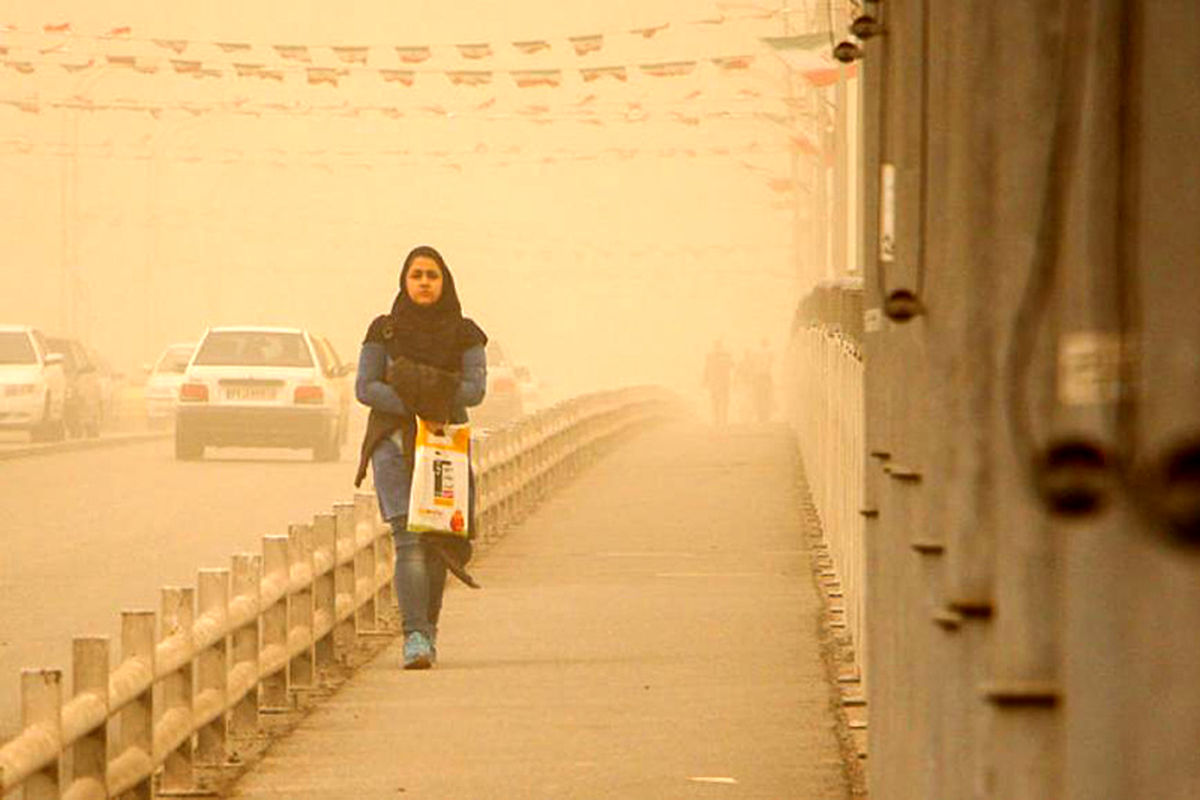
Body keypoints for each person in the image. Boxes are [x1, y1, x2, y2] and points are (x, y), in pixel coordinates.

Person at [354, 245, 488, 669]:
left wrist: (422, 393)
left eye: (432, 275)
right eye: (417, 275)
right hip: (393, 445)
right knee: (409, 540)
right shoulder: (384, 332)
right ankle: (414, 636)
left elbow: (475, 389)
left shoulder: (466, 333)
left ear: (444, 281)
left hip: (444, 447)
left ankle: (428, 633)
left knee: (437, 543)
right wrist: (421, 401)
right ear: (404, 281)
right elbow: (365, 387)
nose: (425, 282)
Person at [702, 340, 734, 426]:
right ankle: (722, 420)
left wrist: (705, 380)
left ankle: (718, 420)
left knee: (716, 401)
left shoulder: (711, 356)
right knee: (722, 401)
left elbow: (707, 369)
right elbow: (732, 365)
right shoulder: (725, 355)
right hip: (722, 382)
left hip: (716, 382)